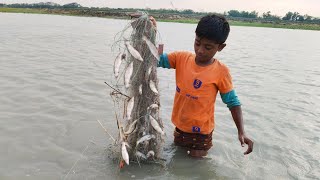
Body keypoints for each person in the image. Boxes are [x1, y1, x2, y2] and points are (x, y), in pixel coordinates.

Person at [150, 15, 253, 157]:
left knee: (195, 164)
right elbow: (156, 60)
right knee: (177, 163)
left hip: (201, 135)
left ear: (220, 47)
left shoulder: (221, 72)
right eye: (197, 43)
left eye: (208, 47)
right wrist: (151, 31)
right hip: (179, 128)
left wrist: (241, 131)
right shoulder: (181, 58)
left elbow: (233, 103)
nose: (200, 50)